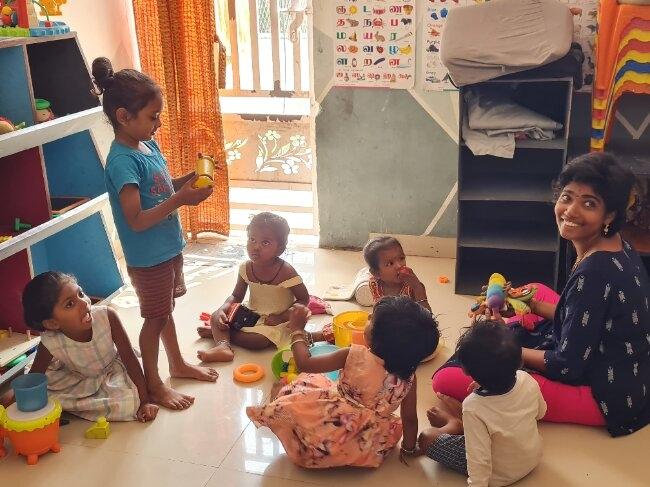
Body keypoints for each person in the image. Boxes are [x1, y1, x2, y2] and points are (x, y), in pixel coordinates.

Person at [433, 152, 650, 437]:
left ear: (610, 214)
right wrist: (530, 305)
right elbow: (582, 313)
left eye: (589, 203)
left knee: (445, 379)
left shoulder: (594, 274)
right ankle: (513, 325)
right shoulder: (617, 245)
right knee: (533, 290)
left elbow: (566, 366)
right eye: (567, 197)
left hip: (605, 393)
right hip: (629, 364)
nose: (570, 211)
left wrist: (504, 352)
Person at [92, 57, 219, 411]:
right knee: (155, 318)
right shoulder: (122, 160)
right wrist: (181, 199)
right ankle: (154, 382)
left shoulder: (147, 145)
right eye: (152, 116)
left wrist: (186, 182)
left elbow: (159, 190)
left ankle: (176, 364)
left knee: (165, 310)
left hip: (166, 248)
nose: (158, 123)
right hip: (147, 256)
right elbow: (136, 219)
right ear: (123, 117)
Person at [246, 296, 440, 468]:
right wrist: (407, 450)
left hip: (326, 430)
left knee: (299, 388)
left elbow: (304, 363)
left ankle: (277, 400)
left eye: (371, 319)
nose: (368, 319)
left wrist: (297, 330)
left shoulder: (353, 355)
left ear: (374, 338)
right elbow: (409, 419)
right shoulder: (409, 378)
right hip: (367, 443)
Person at [1, 272, 159, 422]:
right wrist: (16, 404)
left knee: (130, 401)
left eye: (81, 294)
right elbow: (35, 377)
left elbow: (130, 358)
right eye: (70, 304)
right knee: (19, 399)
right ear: (52, 323)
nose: (84, 302)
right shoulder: (50, 341)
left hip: (112, 370)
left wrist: (145, 401)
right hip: (76, 377)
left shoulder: (107, 317)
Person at [421, 321, 546, 486]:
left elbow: (478, 460)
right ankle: (463, 426)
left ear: (464, 370)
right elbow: (541, 413)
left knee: (426, 438)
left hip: (499, 474)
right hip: (533, 458)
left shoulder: (473, 406)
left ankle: (455, 424)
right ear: (520, 361)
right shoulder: (528, 380)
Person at [197, 212, 309, 362]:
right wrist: (225, 307)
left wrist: (282, 316)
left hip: (275, 322)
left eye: (265, 243)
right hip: (250, 314)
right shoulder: (245, 268)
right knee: (216, 316)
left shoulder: (286, 271)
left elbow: (304, 298)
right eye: (252, 239)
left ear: (280, 248)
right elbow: (237, 296)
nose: (256, 247)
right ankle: (223, 346)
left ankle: (222, 334)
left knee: (259, 341)